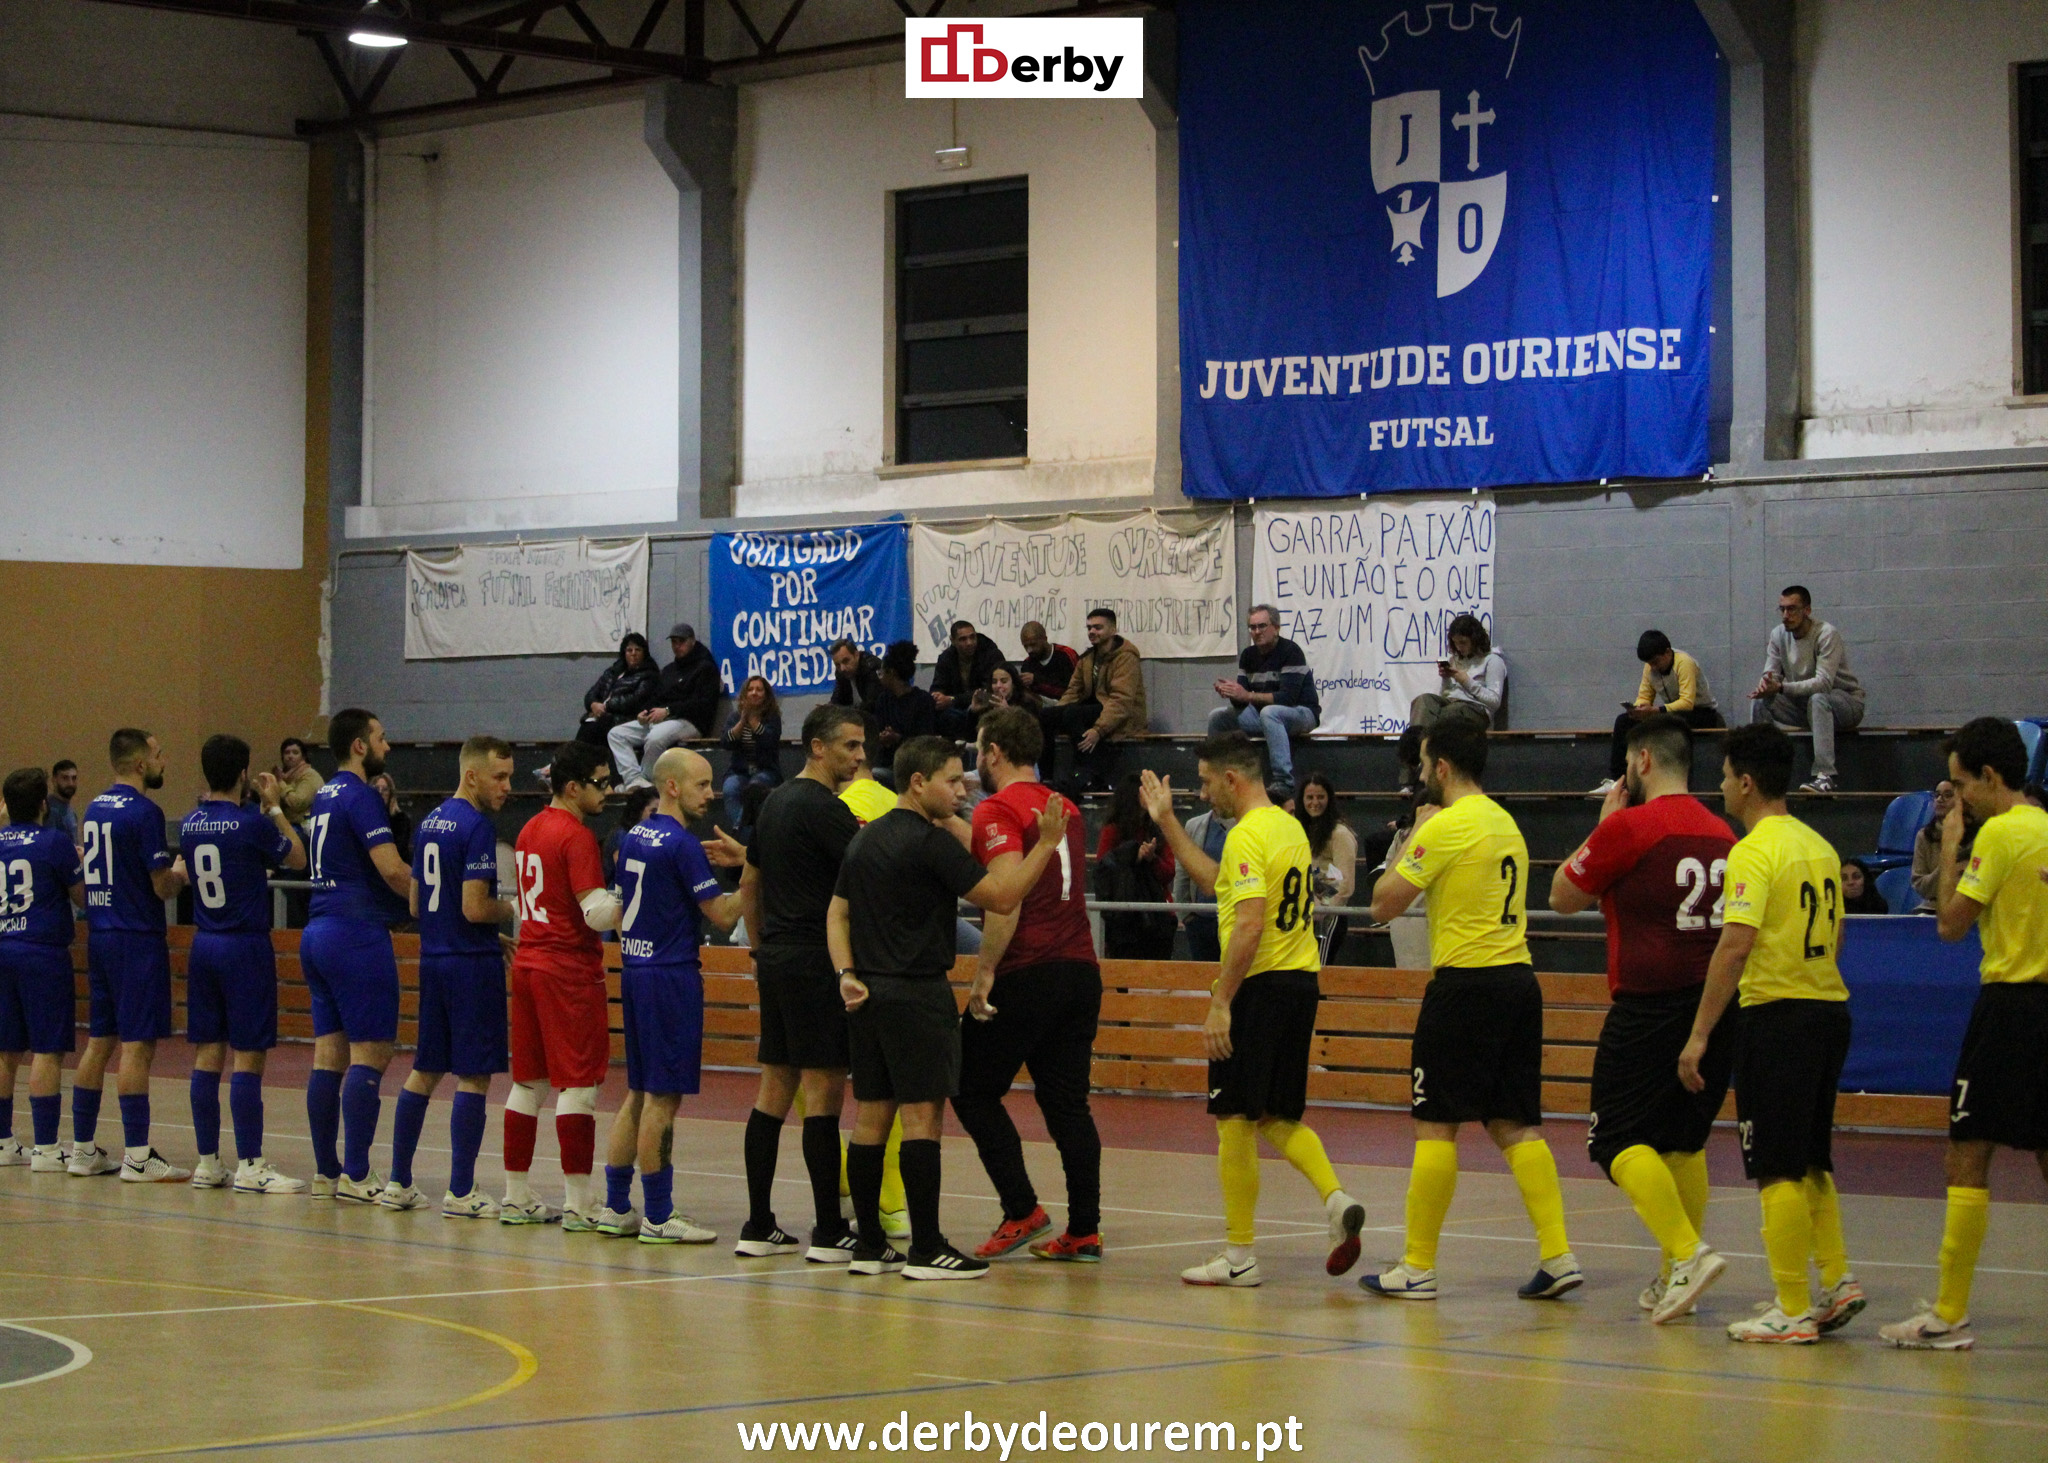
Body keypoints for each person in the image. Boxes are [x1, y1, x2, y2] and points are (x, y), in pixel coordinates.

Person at [826, 734, 1069, 1280]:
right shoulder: (930, 844)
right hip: (917, 995)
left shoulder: (864, 840)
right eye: (953, 781)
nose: (962, 791)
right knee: (922, 1119)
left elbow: (836, 914)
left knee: (871, 1118)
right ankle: (927, 1248)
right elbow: (1002, 897)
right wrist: (1045, 844)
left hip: (868, 995)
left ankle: (869, 1245)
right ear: (918, 783)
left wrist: (845, 974)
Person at [1362, 712, 1579, 1301]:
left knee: (1435, 1123)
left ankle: (1417, 1265)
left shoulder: (1447, 825)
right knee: (1514, 1124)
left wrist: (1414, 831)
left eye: (1423, 765)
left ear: (1442, 767)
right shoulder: (1505, 822)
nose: (1419, 776)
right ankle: (1558, 1254)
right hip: (1518, 982)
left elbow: (1382, 904)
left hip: (1465, 985)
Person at [1138, 734, 1365, 1288]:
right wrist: (1167, 822)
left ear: (1231, 780)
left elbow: (1249, 921)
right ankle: (1336, 1200)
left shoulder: (1245, 835)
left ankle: (1239, 1255)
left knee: (1234, 1118)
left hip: (1258, 986)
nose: (1202, 793)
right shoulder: (1288, 827)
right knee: (1277, 1115)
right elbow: (1218, 883)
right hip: (1300, 982)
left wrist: (1221, 1000)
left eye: (1205, 782)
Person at [1677, 723, 1864, 1344]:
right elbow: (1837, 935)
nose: (1721, 785)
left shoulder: (1754, 852)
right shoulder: (1818, 846)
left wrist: (1700, 1034)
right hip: (1828, 1010)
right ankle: (1836, 1279)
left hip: (1778, 1017)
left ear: (1748, 783)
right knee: (1810, 1157)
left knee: (1775, 1165)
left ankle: (1791, 1307)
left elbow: (1735, 944)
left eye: (1726, 775)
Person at [1548, 714, 1737, 1323]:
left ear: (1644, 761)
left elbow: (1562, 896)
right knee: (1683, 1141)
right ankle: (1673, 1274)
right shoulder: (1723, 832)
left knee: (1615, 1139)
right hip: (1714, 1007)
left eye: (1628, 760)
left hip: (1648, 1008)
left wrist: (1602, 828)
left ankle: (1686, 1254)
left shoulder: (1630, 828)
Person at [1881, 718, 2048, 1350]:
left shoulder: (2000, 833)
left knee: (1967, 1149)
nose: (1956, 800)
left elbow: (1950, 925)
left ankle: (1949, 1313)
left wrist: (1951, 845)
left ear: (1991, 776)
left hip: (2012, 1006)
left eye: (1961, 785)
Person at [956, 709, 1105, 1262]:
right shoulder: (1063, 806)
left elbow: (1006, 896)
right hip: (1079, 969)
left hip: (1028, 968)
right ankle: (1084, 1229)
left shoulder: (996, 808)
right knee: (1068, 1105)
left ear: (993, 752)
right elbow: (1012, 857)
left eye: (979, 748)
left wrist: (984, 972)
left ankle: (1022, 1210)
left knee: (968, 1085)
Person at [735, 704, 868, 1262]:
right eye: (850, 746)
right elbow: (871, 874)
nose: (860, 756)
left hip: (778, 959)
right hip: (816, 960)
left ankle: (758, 1223)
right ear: (817, 746)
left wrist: (760, 949)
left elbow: (749, 883)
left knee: (773, 1091)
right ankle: (830, 1230)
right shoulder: (826, 809)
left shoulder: (773, 802)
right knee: (823, 1095)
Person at [607, 748, 744, 1244]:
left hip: (636, 970)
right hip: (670, 976)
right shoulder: (682, 844)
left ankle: (616, 1206)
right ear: (671, 786)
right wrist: (757, 871)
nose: (711, 794)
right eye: (701, 785)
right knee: (663, 1099)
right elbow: (723, 916)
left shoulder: (633, 837)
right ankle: (659, 1215)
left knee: (639, 1092)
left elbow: (619, 912)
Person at [384, 736, 518, 1218]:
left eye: (510, 777)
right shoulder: (476, 827)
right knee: (474, 1076)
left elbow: (417, 905)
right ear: (471, 775)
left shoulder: (429, 823)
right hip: (470, 969)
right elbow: (475, 907)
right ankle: (461, 1190)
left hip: (435, 960)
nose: (507, 786)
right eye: (499, 777)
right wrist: (512, 909)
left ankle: (398, 1181)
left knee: (424, 1071)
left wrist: (483, 932)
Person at [178, 735, 309, 1194]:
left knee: (207, 1053)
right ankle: (251, 1164)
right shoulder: (251, 822)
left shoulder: (190, 823)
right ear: (242, 775)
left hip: (204, 944)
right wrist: (274, 808)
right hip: (244, 946)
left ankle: (207, 1162)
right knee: (248, 1054)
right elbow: (298, 858)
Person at [66, 729, 192, 1181]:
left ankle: (82, 1150)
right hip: (136, 937)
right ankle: (138, 1155)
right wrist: (180, 874)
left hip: (99, 933)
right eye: (158, 754)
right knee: (138, 1045)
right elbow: (161, 886)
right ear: (140, 764)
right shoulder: (145, 812)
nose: (163, 761)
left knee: (100, 1041)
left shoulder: (94, 808)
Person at [300, 709, 413, 1200]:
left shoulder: (323, 794)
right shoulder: (362, 795)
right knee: (372, 1053)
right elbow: (392, 870)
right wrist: (439, 901)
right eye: (381, 738)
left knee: (329, 1055)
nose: (387, 747)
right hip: (355, 934)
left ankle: (327, 1171)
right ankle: (359, 1174)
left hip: (317, 930)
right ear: (360, 746)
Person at [504, 740, 618, 1227]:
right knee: (578, 1085)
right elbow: (595, 914)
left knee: (528, 1083)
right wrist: (634, 900)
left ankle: (516, 1195)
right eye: (600, 783)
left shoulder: (530, 828)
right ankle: (579, 1202)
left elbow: (523, 901)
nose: (608, 791)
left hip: (529, 963)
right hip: (567, 970)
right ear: (573, 787)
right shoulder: (576, 835)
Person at [0, 768, 84, 1171]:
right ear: (43, 804)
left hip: (3, 948)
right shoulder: (54, 842)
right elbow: (82, 897)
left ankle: (3, 1141)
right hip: (42, 953)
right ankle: (47, 1147)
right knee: (47, 1051)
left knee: (6, 1050)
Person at [1747, 585, 1865, 794]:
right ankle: (1761, 772)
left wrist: (1781, 687)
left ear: (1807, 610)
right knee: (1760, 702)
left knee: (1818, 698)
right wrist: (1766, 686)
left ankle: (1825, 776)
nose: (1786, 615)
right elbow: (1771, 674)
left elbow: (1823, 683)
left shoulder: (1826, 634)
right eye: (1782, 609)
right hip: (1804, 706)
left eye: (1792, 609)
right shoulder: (1778, 634)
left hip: (1845, 704)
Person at [1207, 604, 1320, 792]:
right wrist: (1233, 693)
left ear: (1276, 628)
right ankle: (1216, 775)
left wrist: (1247, 695)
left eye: (1262, 626)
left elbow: (1288, 698)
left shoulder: (1291, 651)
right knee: (1217, 717)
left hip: (1302, 713)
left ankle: (1283, 781)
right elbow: (1242, 700)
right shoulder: (1248, 655)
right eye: (1252, 627)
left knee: (1270, 712)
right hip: (1265, 717)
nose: (1257, 632)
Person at [1595, 630, 1723, 793]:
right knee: (1623, 721)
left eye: (1656, 662)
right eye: (1650, 663)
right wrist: (1638, 709)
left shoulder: (1684, 663)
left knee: (1677, 723)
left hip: (1702, 713)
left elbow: (1687, 703)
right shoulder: (1649, 668)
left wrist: (1656, 710)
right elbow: (1644, 696)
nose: (1653, 667)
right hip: (1671, 713)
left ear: (1667, 652)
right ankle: (1618, 781)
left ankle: (1683, 786)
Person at [1042, 608, 1148, 792]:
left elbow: (1121, 701)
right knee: (1045, 716)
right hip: (1092, 711)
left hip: (1120, 716)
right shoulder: (1087, 658)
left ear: (1113, 630)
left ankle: (1089, 774)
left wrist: (1099, 730)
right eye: (1089, 627)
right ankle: (1045, 777)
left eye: (1098, 627)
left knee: (1073, 714)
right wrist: (1057, 714)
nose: (1092, 631)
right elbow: (1073, 692)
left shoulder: (1126, 657)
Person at [610, 623, 722, 791]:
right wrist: (645, 713)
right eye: (674, 642)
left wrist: (669, 710)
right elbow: (657, 697)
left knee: (655, 738)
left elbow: (701, 704)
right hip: (664, 719)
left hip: (691, 721)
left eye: (681, 641)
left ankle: (646, 782)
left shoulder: (706, 668)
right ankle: (634, 779)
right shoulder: (670, 670)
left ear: (692, 641)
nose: (677, 646)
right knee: (616, 734)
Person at [1095, 772, 1176, 960]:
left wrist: (1152, 858)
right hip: (1125, 920)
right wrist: (1133, 856)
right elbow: (1103, 870)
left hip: (1158, 916)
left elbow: (1169, 872)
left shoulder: (1159, 828)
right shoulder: (1113, 830)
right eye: (1144, 792)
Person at [1296, 773, 1357, 965]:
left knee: (1319, 970)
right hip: (1304, 914)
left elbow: (1344, 881)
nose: (1315, 802)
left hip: (1328, 917)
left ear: (1329, 799)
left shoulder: (1339, 834)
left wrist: (1322, 906)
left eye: (1320, 797)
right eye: (1310, 797)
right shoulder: (1302, 830)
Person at [1407, 614, 1506, 731]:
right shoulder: (1454, 660)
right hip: (1451, 703)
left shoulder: (1493, 661)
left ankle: (1434, 739)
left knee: (1453, 711)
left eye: (1463, 642)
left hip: (1475, 709)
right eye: (1455, 643)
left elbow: (1494, 702)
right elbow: (1445, 695)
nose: (1459, 647)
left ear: (1475, 640)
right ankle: (1418, 740)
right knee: (1424, 701)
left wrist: (1467, 682)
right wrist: (1446, 679)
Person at [1173, 786, 1237, 963]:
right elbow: (1182, 871)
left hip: (1234, 919)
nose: (1204, 796)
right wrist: (1186, 914)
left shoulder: (1245, 825)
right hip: (1200, 920)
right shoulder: (1194, 825)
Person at [573, 632, 660, 758]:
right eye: (629, 650)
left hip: (626, 718)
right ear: (624, 653)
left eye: (638, 650)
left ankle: (573, 763)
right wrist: (593, 704)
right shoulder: (613, 671)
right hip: (601, 716)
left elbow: (635, 700)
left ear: (644, 653)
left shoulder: (649, 674)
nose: (633, 653)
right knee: (587, 726)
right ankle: (572, 763)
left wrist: (605, 706)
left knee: (592, 730)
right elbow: (592, 692)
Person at [720, 675, 784, 828]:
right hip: (739, 771)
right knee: (730, 788)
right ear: (745, 694)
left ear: (766, 695)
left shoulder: (772, 717)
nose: (754, 693)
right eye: (750, 689)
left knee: (754, 788)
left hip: (766, 771)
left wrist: (754, 722)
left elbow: (769, 742)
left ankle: (742, 830)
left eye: (759, 690)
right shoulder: (735, 717)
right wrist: (742, 721)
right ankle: (743, 829)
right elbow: (726, 742)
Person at [931, 620, 1010, 740]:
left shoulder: (991, 654)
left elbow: (988, 693)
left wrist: (953, 700)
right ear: (953, 641)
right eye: (963, 639)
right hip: (957, 710)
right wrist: (937, 696)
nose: (969, 643)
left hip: (984, 707)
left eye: (972, 637)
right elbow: (938, 685)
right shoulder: (946, 658)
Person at [870, 641, 937, 778]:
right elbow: (878, 729)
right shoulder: (883, 699)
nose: (880, 677)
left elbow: (925, 741)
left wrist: (898, 738)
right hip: (886, 761)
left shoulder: (923, 700)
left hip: (913, 766)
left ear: (892, 673)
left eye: (881, 673)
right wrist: (882, 738)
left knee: (875, 774)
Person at [1910, 779, 1970, 909]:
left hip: (1968, 907)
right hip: (1933, 906)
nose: (1940, 799)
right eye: (1937, 795)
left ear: (1962, 801)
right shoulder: (1924, 836)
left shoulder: (1977, 836)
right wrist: (1945, 865)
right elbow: (1920, 885)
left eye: (1948, 795)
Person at [1015, 621, 1078, 706]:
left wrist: (1037, 680)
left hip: (1068, 704)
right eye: (1025, 646)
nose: (1029, 650)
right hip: (1040, 706)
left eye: (1033, 644)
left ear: (1044, 639)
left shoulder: (1066, 655)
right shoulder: (1027, 663)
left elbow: (1076, 689)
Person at [276, 738, 323, 826]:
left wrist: (281, 783)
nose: (290, 756)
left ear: (303, 757)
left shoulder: (309, 775)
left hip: (305, 826)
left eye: (295, 753)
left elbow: (298, 803)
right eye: (287, 753)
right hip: (289, 824)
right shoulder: (286, 776)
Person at [829, 638, 884, 712]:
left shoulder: (871, 668)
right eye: (837, 665)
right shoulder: (841, 673)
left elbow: (871, 706)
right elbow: (837, 700)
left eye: (846, 661)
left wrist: (842, 710)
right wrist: (827, 709)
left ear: (856, 655)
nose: (842, 668)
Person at [370, 772, 413, 864]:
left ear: (391, 794)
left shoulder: (401, 819)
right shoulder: (364, 818)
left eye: (385, 789)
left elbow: (399, 850)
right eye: (376, 788)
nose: (380, 792)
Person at [43, 760, 80, 846]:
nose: (71, 783)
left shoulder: (70, 810)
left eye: (74, 778)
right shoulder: (49, 810)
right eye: (65, 778)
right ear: (54, 780)